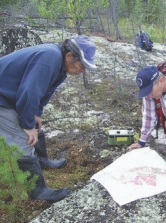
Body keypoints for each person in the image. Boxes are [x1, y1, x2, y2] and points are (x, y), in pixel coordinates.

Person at [0, 35, 97, 203]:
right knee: (23, 139)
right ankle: (37, 190)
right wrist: (27, 125)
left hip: (11, 95)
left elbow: (45, 91)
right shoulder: (49, 59)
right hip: (2, 98)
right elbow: (29, 92)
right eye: (81, 66)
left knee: (34, 123)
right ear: (69, 57)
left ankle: (42, 160)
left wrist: (36, 114)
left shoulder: (60, 65)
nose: (83, 71)